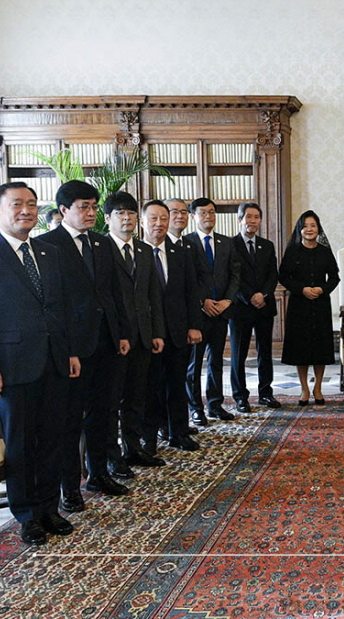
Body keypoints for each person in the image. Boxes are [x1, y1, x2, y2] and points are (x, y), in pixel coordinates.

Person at [0, 181, 80, 546]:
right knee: (21, 443)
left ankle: (48, 508)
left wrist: (70, 351)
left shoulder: (47, 252)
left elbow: (59, 309)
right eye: (16, 204)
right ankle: (26, 514)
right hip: (12, 366)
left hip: (54, 361)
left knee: (53, 439)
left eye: (31, 204)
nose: (25, 210)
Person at [38, 180, 131, 506]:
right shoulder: (46, 246)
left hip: (106, 341)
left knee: (103, 413)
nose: (92, 213)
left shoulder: (101, 244)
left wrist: (120, 333)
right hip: (72, 348)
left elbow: (112, 292)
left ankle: (99, 474)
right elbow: (51, 304)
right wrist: (66, 350)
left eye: (94, 206)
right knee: (70, 419)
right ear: (64, 210)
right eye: (83, 207)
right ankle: (70, 488)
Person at [104, 192, 166, 474]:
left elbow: (153, 295)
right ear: (108, 219)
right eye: (120, 213)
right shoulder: (101, 249)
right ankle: (112, 457)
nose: (126, 218)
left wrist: (156, 332)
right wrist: (117, 335)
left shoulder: (142, 250)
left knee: (136, 397)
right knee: (111, 401)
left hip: (143, 336)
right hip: (115, 340)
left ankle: (134, 448)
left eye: (130, 213)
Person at [142, 200, 203, 453]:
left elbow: (191, 291)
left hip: (177, 330)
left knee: (177, 384)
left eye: (163, 219)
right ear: (142, 220)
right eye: (153, 218)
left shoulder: (181, 251)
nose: (159, 224)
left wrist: (194, 326)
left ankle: (178, 432)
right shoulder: (135, 252)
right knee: (150, 387)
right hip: (147, 334)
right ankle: (149, 438)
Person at [185, 197, 241, 426]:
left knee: (216, 360)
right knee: (194, 364)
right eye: (202, 213)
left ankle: (215, 404)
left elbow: (235, 274)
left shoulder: (226, 243)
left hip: (221, 311)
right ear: (193, 217)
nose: (208, 217)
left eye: (211, 212)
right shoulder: (186, 243)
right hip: (198, 313)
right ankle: (195, 408)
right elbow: (186, 280)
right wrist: (202, 301)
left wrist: (227, 300)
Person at [279, 211, 340, 405]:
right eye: (305, 226)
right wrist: (302, 289)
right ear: (300, 229)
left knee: (320, 348)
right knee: (301, 348)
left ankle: (318, 387)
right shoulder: (293, 251)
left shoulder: (324, 251)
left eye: (313, 225)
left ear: (318, 228)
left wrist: (322, 289)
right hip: (299, 304)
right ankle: (304, 388)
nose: (309, 229)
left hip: (320, 304)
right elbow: (284, 277)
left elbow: (335, 277)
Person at [229, 202, 280, 411]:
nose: (252, 221)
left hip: (264, 307)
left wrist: (263, 294)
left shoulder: (267, 245)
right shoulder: (230, 245)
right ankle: (240, 396)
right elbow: (233, 277)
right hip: (241, 307)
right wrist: (249, 296)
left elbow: (272, 275)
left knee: (265, 352)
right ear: (240, 219)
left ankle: (265, 393)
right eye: (248, 217)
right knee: (238, 353)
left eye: (256, 217)